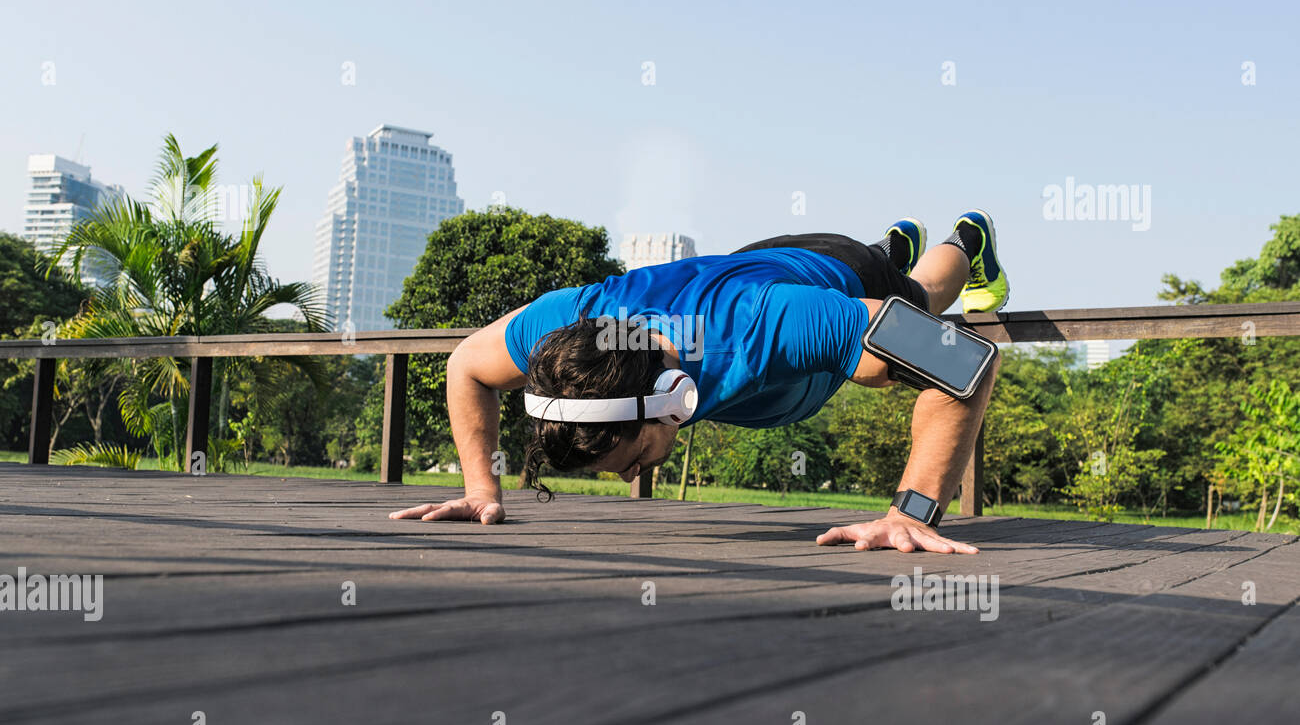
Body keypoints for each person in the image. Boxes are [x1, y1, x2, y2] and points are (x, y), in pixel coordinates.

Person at [391, 210, 1010, 554]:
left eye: (629, 458)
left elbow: (962, 360)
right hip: (756, 254)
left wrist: (912, 514)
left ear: (674, 398)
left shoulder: (766, 327)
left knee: (924, 298)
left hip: (832, 274)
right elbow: (466, 365)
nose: (627, 477)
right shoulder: (564, 327)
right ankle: (892, 241)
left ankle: (965, 239)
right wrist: (480, 488)